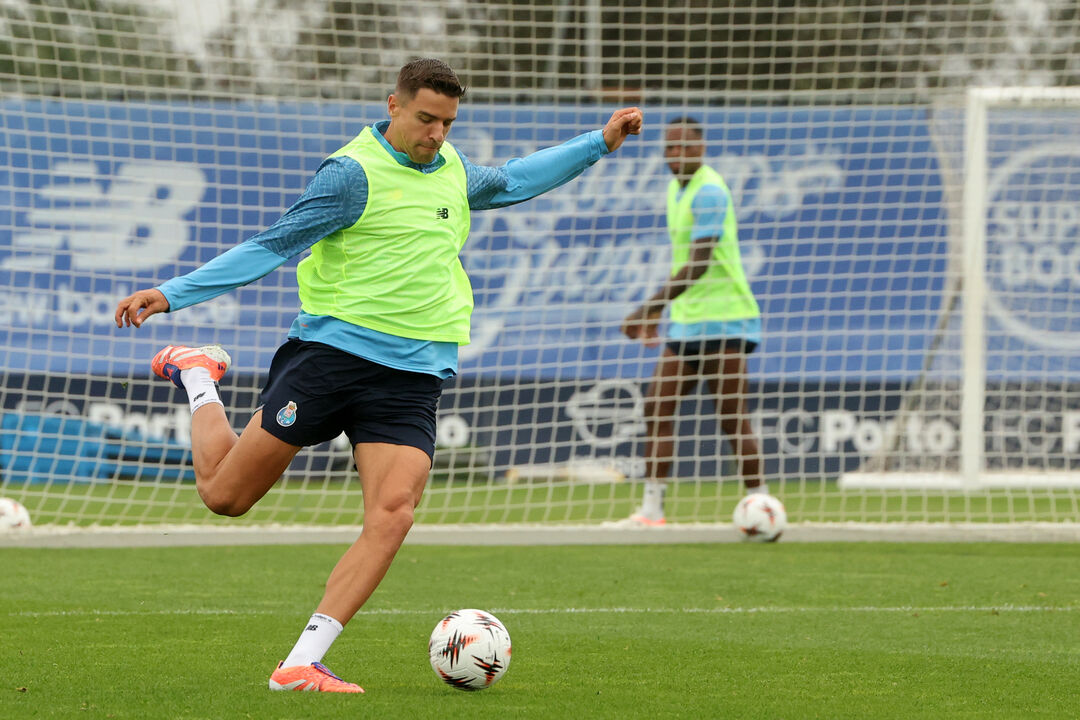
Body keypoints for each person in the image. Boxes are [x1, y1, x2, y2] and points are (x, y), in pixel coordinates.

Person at [114, 58, 643, 693]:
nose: (437, 134)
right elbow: (271, 245)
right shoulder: (350, 174)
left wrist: (600, 142)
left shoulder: (451, 169)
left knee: (393, 513)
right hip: (332, 360)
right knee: (226, 497)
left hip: (414, 374)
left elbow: (512, 180)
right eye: (425, 119)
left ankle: (301, 662)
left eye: (447, 122)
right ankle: (199, 376)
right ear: (392, 105)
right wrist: (173, 293)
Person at [617, 116, 767, 527]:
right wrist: (661, 314)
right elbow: (684, 264)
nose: (675, 155)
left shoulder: (710, 192)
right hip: (687, 323)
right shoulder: (674, 190)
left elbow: (699, 265)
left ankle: (762, 504)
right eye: (669, 148)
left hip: (724, 320)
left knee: (731, 417)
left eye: (683, 147)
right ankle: (651, 511)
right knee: (657, 409)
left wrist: (647, 310)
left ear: (701, 149)